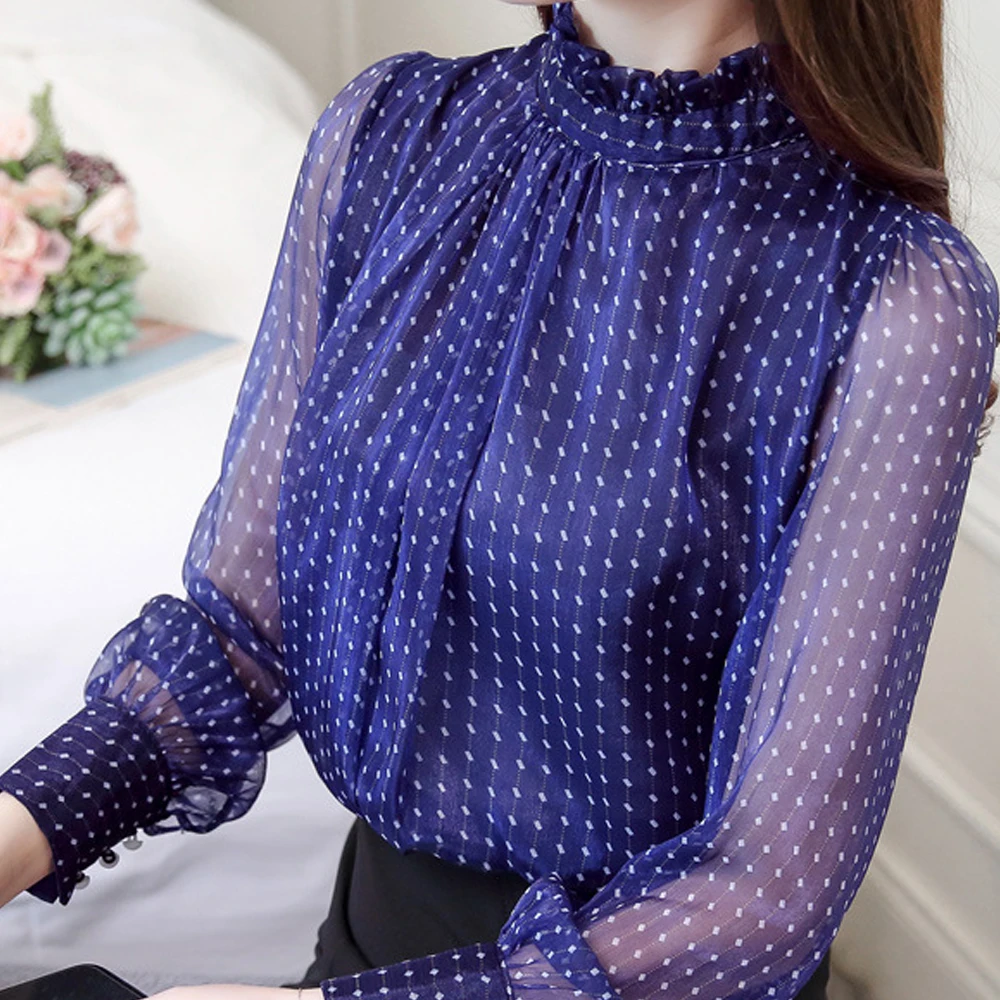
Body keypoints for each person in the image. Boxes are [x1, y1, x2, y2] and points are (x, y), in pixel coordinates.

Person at [1, 1, 998, 999]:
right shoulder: (388, 135)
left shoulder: (897, 294)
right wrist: (23, 821)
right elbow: (244, 625)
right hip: (369, 942)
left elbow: (764, 894)